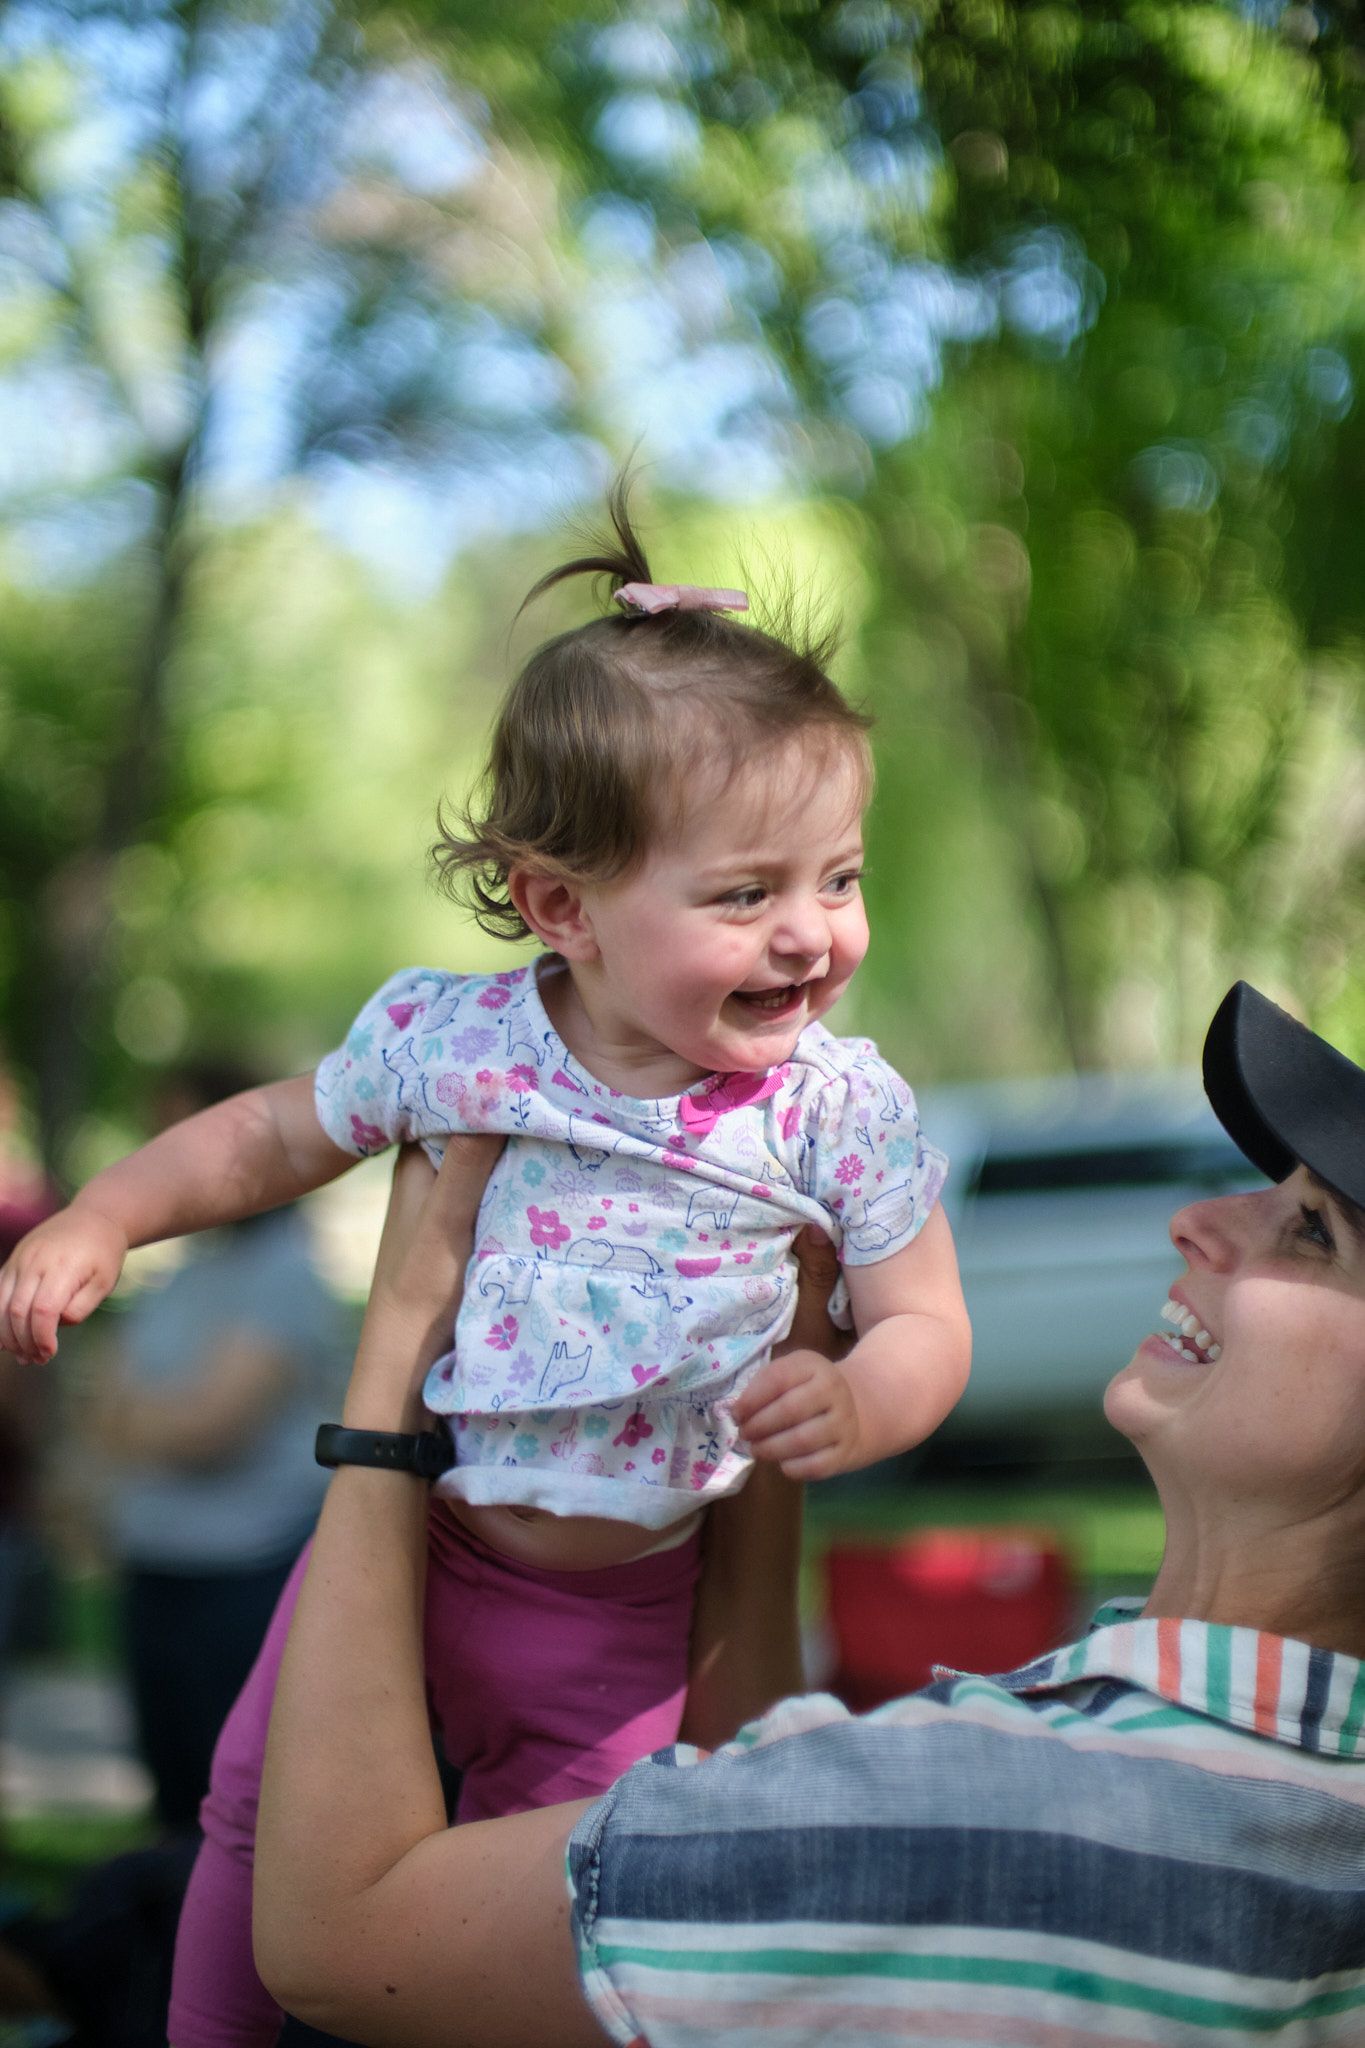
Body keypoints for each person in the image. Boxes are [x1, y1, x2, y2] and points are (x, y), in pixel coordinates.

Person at [0, 486, 971, 2046]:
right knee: (255, 1830)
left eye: (837, 878)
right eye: (747, 895)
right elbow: (268, 1135)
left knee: (552, 1922)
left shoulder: (832, 1107)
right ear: (560, 907)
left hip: (622, 1615)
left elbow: (926, 1315)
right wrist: (104, 1218)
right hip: (414, 1543)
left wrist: (864, 1399)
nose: (812, 935)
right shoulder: (459, 1043)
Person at [252, 980, 1365, 2045]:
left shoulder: (990, 1811)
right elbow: (757, 1814)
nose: (1198, 1218)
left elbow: (344, 1939)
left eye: (1311, 1229)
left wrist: (395, 1362)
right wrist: (764, 1415)